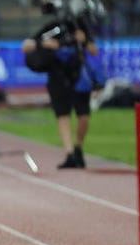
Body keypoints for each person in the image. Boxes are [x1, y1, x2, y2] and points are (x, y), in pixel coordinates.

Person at [21, 22, 99, 169]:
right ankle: (69, 154)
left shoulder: (80, 26)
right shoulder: (52, 28)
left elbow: (94, 51)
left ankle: (78, 149)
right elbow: (26, 45)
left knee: (84, 116)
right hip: (58, 77)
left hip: (79, 77)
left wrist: (84, 41)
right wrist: (45, 44)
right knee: (63, 116)